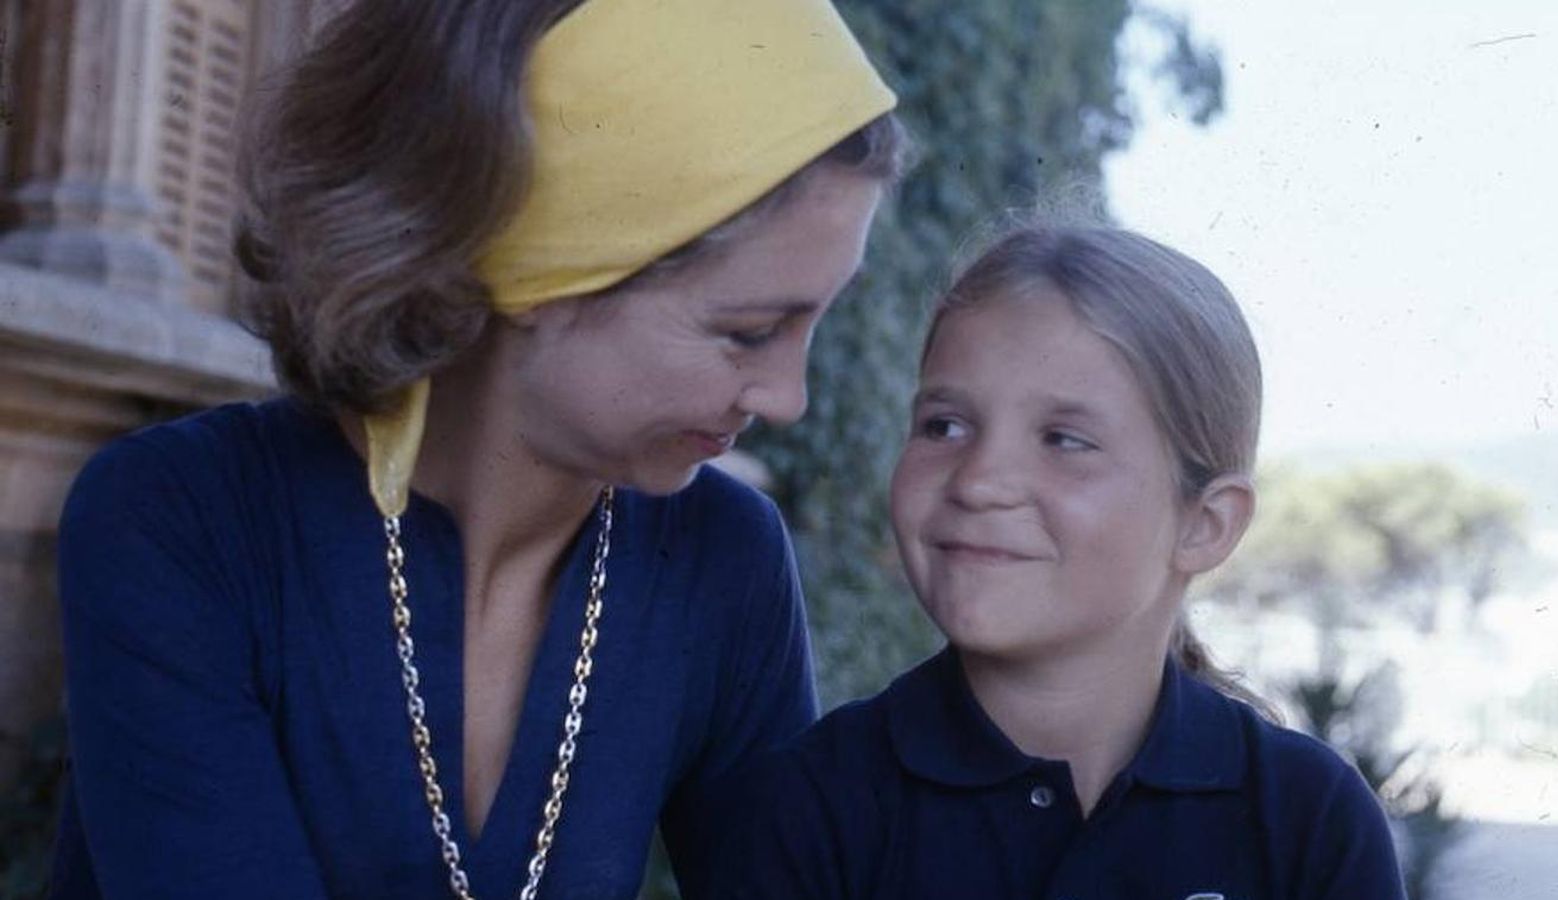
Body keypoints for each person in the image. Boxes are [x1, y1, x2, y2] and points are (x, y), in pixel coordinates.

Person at [49, 0, 905, 897]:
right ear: (544, 262)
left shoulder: (724, 562)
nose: (790, 399)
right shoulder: (186, 519)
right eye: (750, 329)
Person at [713, 223, 1407, 899]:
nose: (979, 479)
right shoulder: (809, 807)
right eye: (944, 426)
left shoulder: (1310, 822)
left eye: (1064, 440)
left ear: (1205, 524)